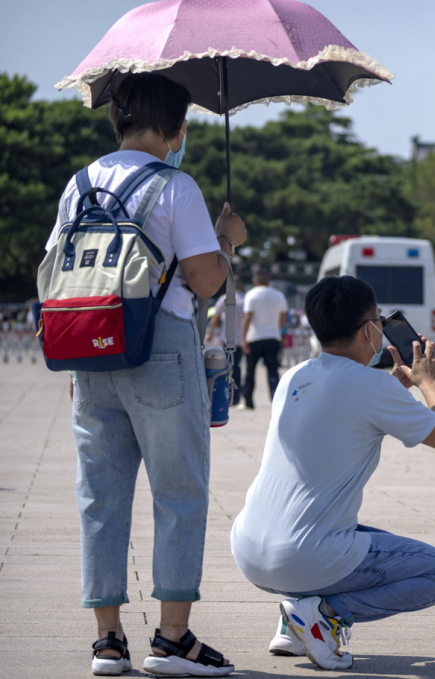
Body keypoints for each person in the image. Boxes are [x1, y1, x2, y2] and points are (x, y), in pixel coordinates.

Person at [46, 73, 244, 676]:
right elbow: (207, 281)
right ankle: (173, 639)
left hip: (87, 348)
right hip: (159, 348)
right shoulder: (175, 185)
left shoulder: (77, 185)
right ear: (176, 128)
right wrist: (227, 242)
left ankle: (108, 642)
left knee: (100, 496)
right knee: (179, 493)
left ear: (118, 121)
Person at [230, 276, 435, 671]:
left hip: (249, 548)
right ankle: (325, 613)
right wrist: (430, 384)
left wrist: (393, 387)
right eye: (379, 320)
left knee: (353, 532)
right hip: (302, 557)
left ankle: (293, 624)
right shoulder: (372, 388)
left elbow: (345, 408)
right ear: (370, 329)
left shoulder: (295, 375)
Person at [239, 271, 287, 410]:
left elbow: (247, 318)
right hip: (273, 336)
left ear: (255, 280)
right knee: (273, 370)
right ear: (269, 280)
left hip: (255, 337)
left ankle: (248, 401)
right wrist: (275, 329)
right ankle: (275, 400)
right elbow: (283, 318)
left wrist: (243, 338)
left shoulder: (251, 294)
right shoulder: (279, 295)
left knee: (250, 371)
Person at [205, 275, 245, 406]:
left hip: (228, 338)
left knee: (228, 367)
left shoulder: (224, 299)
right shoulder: (246, 299)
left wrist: (209, 333)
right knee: (237, 366)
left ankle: (229, 395)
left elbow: (215, 317)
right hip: (242, 338)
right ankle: (238, 396)